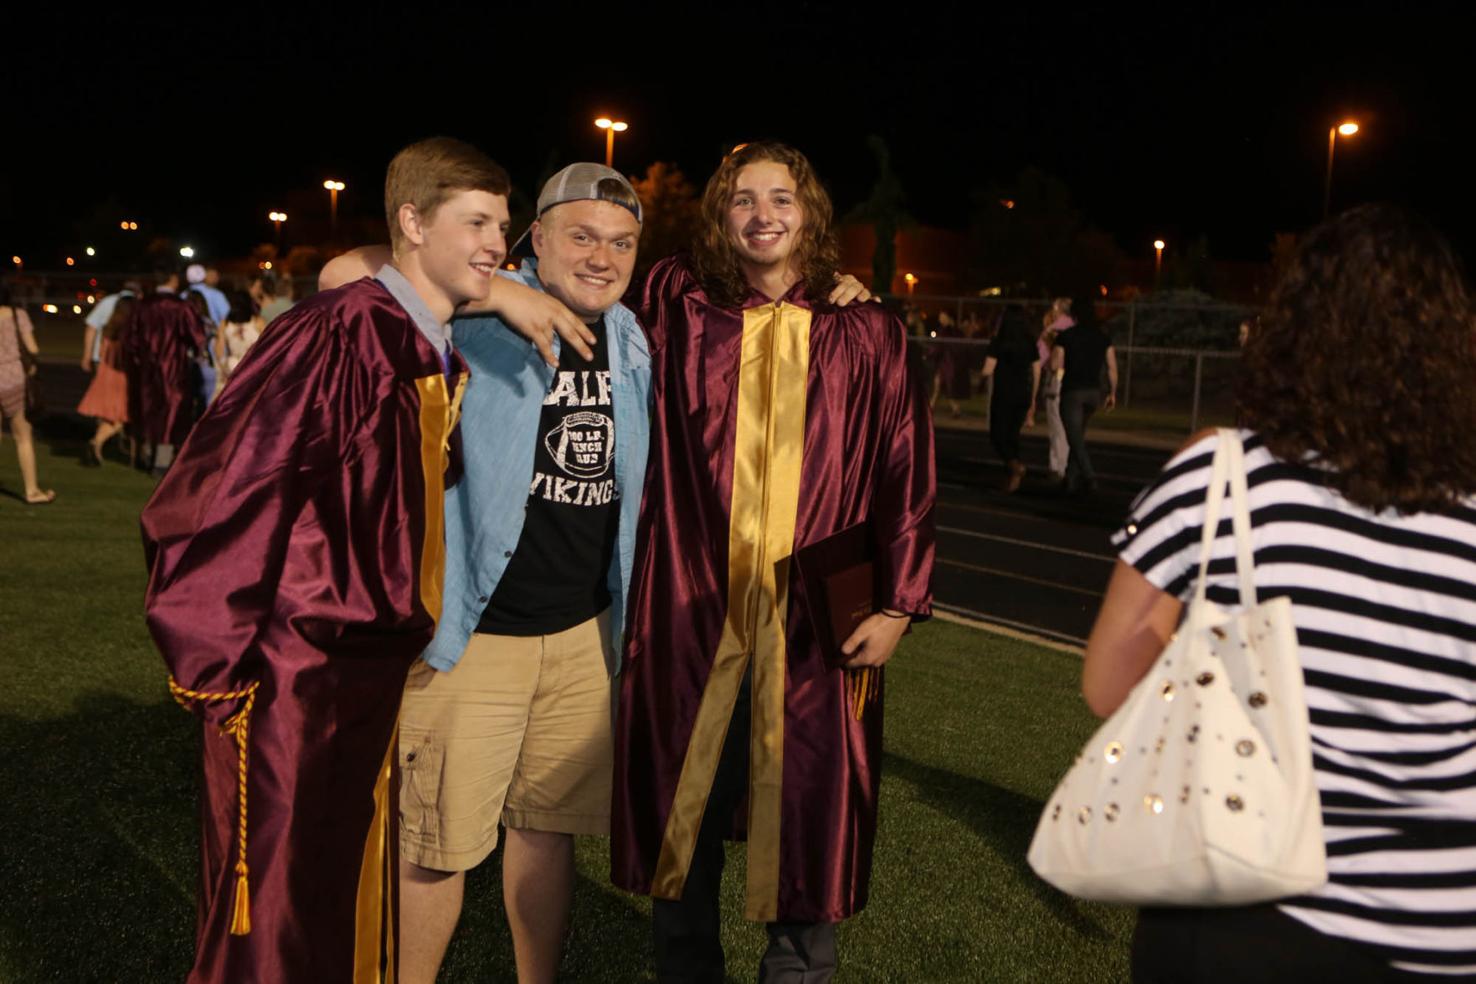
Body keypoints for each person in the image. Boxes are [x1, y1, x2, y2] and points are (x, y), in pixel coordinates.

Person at [140, 136, 510, 984]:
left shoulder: (420, 339)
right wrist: (218, 660)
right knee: (273, 912)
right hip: (289, 677)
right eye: (478, 221)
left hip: (364, 675)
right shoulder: (341, 333)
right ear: (412, 223)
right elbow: (219, 489)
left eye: (502, 223)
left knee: (337, 899)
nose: (496, 242)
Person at [1082, 204, 1476, 983]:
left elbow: (1107, 684)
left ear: (1295, 329)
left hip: (1251, 905)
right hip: (1447, 925)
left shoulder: (1221, 473)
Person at [611, 142, 936, 982]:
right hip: (691, 603)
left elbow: (907, 467)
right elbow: (588, 274)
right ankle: (686, 970)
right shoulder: (678, 307)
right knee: (686, 803)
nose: (763, 216)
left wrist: (898, 603)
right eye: (742, 200)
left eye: (781, 198)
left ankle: (798, 971)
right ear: (719, 217)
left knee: (805, 807)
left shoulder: (865, 331)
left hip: (812, 619)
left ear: (810, 212)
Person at [391, 164, 649, 984]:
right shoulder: (471, 311)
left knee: (547, 831)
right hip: (474, 637)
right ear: (536, 239)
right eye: (580, 236)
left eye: (621, 242)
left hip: (582, 635)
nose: (601, 257)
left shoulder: (634, 335)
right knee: (438, 848)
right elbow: (358, 276)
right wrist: (497, 291)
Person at [124, 268, 206, 476]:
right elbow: (196, 336)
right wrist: (199, 352)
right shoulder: (181, 307)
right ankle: (161, 460)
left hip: (147, 367)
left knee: (150, 407)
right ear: (173, 279)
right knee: (172, 410)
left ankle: (148, 453)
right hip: (174, 366)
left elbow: (131, 339)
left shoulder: (142, 306)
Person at [1050, 294, 1116, 495]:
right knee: (1076, 435)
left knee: (1075, 438)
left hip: (1073, 391)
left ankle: (1089, 476)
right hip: (1093, 392)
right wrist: (1113, 392)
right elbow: (1112, 367)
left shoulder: (1066, 336)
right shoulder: (1103, 337)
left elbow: (1055, 365)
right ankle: (1070, 479)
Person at [0, 293, 54, 503]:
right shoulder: (17, 314)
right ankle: (31, 491)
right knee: (23, 437)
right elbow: (32, 348)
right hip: (13, 379)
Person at [981, 304, 1040, 492]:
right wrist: (1033, 396)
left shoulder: (999, 342)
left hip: (1004, 393)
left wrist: (981, 376)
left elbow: (988, 369)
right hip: (1023, 392)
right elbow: (1037, 370)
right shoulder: (1029, 341)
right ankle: (1012, 479)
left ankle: (1015, 467)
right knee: (1013, 435)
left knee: (998, 436)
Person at [77, 294, 135, 465]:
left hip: (105, 374)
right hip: (121, 377)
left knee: (111, 416)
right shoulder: (129, 334)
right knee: (122, 417)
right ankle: (97, 442)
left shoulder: (109, 328)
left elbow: (102, 351)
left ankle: (97, 446)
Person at [1037, 298, 1072, 479]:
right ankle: (1061, 463)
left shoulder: (1053, 329)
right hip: (1075, 381)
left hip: (1056, 379)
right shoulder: (1076, 327)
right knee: (1066, 426)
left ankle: (1059, 465)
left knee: (1056, 424)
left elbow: (1040, 355)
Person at [80, 281, 140, 373]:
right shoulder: (140, 304)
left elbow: (91, 328)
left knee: (104, 385)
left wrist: (87, 356)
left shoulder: (108, 301)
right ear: (139, 292)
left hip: (103, 355)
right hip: (128, 357)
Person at [214, 290, 263, 396]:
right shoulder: (259, 322)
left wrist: (223, 370)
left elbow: (219, 352)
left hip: (233, 367)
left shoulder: (225, 324)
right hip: (253, 368)